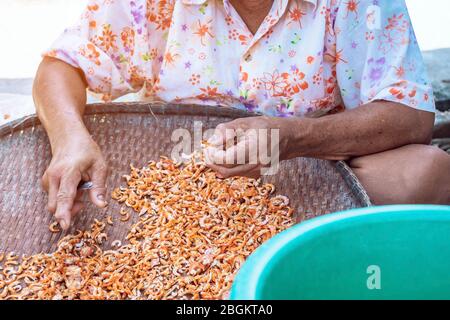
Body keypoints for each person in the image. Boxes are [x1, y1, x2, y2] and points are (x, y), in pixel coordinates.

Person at [33, 0, 450, 230]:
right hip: (176, 178)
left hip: (310, 172)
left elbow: (410, 114)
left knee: (425, 172)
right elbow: (61, 65)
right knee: (57, 170)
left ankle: (287, 234)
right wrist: (69, 138)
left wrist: (291, 138)